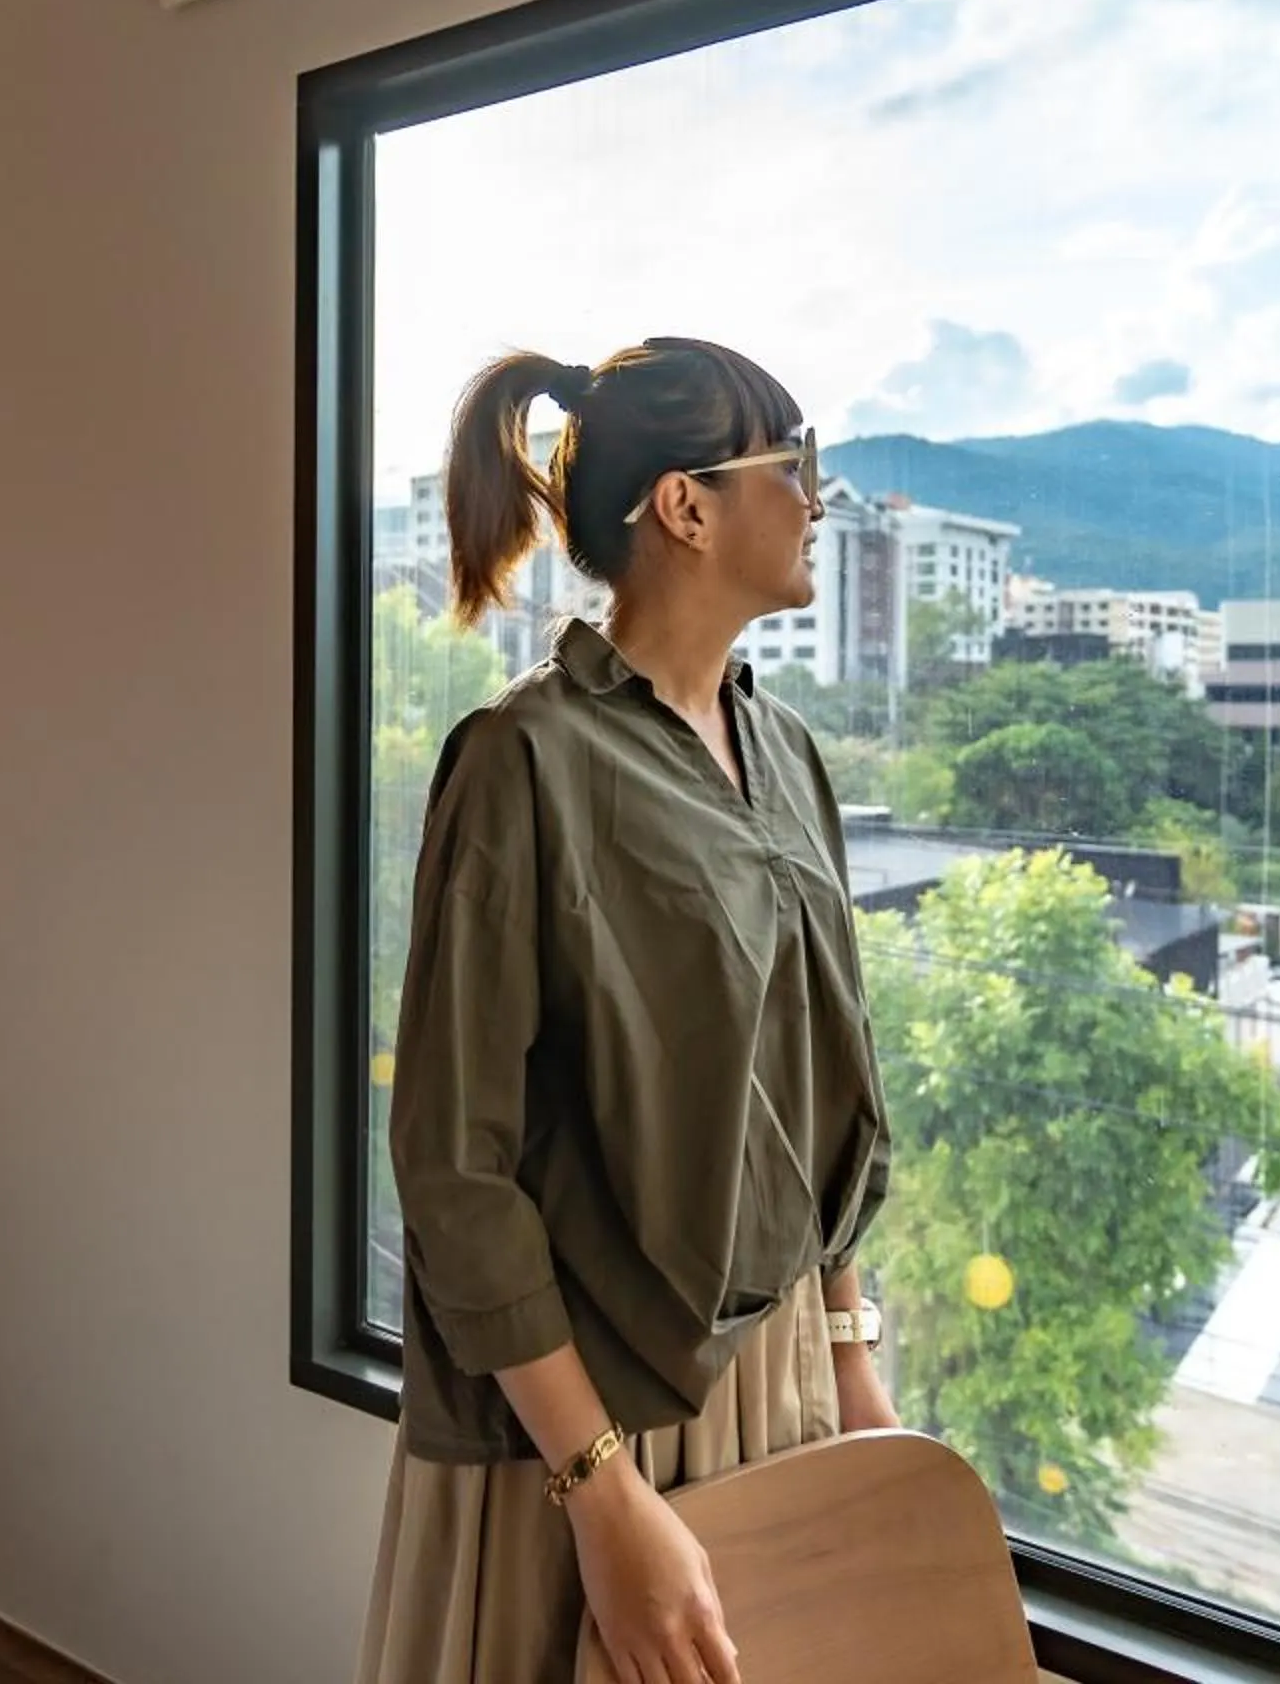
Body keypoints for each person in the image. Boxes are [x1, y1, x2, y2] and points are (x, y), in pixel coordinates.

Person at [356, 338, 896, 1684]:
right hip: (593, 1416)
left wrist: (850, 1355)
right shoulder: (523, 760)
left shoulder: (785, 751)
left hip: (773, 1388)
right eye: (798, 464)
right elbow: (453, 1166)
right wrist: (600, 1489)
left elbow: (819, 1096)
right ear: (687, 506)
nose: (822, 499)